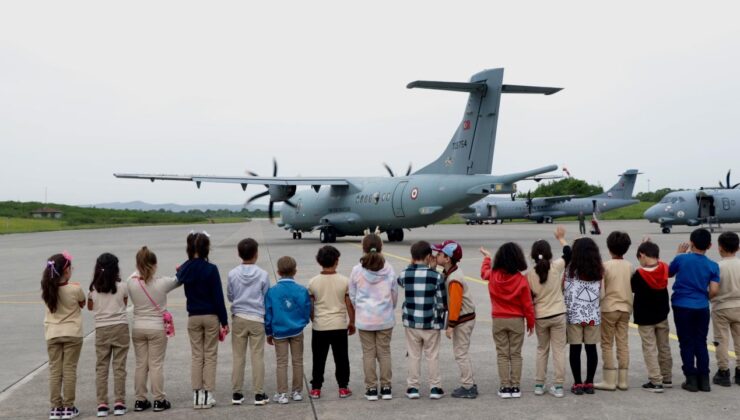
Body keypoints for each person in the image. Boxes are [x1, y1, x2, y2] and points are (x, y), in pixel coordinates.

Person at [176, 232, 229, 409]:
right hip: (211, 316)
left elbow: (180, 272)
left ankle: (197, 395)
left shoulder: (186, 268)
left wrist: (187, 261)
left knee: (197, 356)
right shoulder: (211, 269)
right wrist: (224, 320)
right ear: (207, 248)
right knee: (210, 355)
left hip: (193, 317)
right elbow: (218, 296)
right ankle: (208, 394)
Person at [127, 246, 180, 412]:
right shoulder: (162, 283)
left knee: (141, 364)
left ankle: (140, 400)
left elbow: (135, 274)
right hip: (157, 327)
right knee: (156, 364)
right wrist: (180, 269)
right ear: (154, 265)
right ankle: (159, 399)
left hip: (138, 327)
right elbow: (179, 279)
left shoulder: (131, 282)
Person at [481, 243, 535, 399]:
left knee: (502, 354)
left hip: (498, 318)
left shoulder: (493, 274)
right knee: (516, 354)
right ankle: (515, 386)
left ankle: (505, 386)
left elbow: (484, 273)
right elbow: (527, 305)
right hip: (517, 320)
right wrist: (530, 323)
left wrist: (486, 258)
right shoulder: (521, 279)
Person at [669, 228, 720, 392]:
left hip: (682, 305)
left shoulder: (682, 259)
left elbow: (669, 273)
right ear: (710, 245)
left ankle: (690, 378)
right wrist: (704, 296)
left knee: (686, 342)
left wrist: (678, 254)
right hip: (701, 306)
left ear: (691, 243)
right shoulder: (713, 265)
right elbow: (714, 290)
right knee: (701, 341)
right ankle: (704, 379)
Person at [349, 233, 397, 401]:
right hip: (385, 318)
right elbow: (394, 293)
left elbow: (352, 296)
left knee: (368, 353)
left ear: (363, 248)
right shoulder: (389, 268)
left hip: (365, 319)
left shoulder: (356, 270)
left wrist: (361, 310)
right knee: (384, 353)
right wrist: (389, 308)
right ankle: (386, 387)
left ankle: (371, 389)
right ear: (381, 247)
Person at [397, 241, 447, 400]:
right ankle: (435, 387)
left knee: (413, 355)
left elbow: (400, 281)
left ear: (412, 257)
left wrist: (413, 264)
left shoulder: (405, 273)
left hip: (411, 322)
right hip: (431, 322)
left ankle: (413, 387)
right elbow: (441, 302)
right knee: (432, 355)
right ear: (428, 257)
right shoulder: (436, 276)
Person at [526, 226, 571, 398]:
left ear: (532, 255)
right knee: (558, 350)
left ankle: (539, 384)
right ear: (549, 253)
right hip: (558, 314)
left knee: (541, 349)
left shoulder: (529, 275)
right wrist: (561, 238)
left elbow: (529, 297)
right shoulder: (557, 267)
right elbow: (569, 253)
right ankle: (558, 386)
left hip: (541, 316)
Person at [308, 246, 355, 399]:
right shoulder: (344, 281)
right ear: (337, 261)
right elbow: (348, 304)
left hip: (320, 326)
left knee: (318, 359)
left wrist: (313, 318)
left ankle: (316, 388)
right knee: (341, 358)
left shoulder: (313, 282)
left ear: (318, 261)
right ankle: (343, 387)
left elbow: (311, 306)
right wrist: (352, 322)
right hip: (339, 325)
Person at [227, 238, 270, 406]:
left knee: (238, 356)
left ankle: (237, 393)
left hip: (239, 317)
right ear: (256, 254)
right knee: (257, 356)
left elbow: (230, 295)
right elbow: (266, 296)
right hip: (257, 318)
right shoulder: (263, 274)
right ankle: (259, 393)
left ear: (239, 254)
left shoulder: (232, 273)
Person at [42, 252, 85, 420]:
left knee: (55, 371)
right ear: (66, 270)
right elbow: (82, 303)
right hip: (72, 333)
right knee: (69, 370)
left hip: (52, 333)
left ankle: (55, 407)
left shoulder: (47, 289)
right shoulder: (75, 288)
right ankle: (68, 407)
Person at [434, 240, 478, 399]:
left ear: (447, 259)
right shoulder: (450, 272)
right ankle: (469, 382)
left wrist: (451, 325)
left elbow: (455, 304)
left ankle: (468, 386)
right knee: (462, 351)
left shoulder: (454, 279)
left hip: (463, 320)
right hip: (464, 317)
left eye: (439, 254)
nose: (435, 255)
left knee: (460, 353)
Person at [87, 253, 129, 417]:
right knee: (119, 366)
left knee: (102, 366)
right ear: (116, 268)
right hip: (120, 327)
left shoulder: (93, 289)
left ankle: (102, 404)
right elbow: (125, 304)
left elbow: (90, 307)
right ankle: (119, 402)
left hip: (102, 329)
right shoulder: (122, 286)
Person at [265, 256, 311, 404]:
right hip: (296, 330)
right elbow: (306, 309)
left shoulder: (272, 291)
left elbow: (268, 312)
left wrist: (269, 331)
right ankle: (297, 391)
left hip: (279, 331)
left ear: (278, 272)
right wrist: (303, 322)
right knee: (298, 361)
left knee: (281, 362)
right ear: (295, 271)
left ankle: (282, 393)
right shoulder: (301, 290)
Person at [563, 237, 603, 395]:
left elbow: (563, 287)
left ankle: (578, 383)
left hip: (574, 315)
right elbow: (602, 291)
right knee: (591, 349)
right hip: (592, 314)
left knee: (575, 348)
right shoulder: (598, 269)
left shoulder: (570, 269)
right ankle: (590, 382)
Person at [631, 240, 672, 393]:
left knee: (649, 348)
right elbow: (659, 263)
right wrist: (646, 246)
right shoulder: (664, 268)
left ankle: (655, 380)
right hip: (662, 314)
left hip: (645, 317)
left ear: (642, 255)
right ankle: (666, 377)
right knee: (664, 346)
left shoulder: (638, 274)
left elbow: (633, 288)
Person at [595, 231, 634, 391]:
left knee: (607, 343)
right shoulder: (630, 266)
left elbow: (601, 289)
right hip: (625, 308)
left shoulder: (605, 266)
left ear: (609, 247)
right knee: (623, 343)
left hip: (609, 308)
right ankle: (623, 380)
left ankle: (609, 379)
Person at [711, 231, 740, 387]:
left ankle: (723, 371)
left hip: (721, 306)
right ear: (738, 248)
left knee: (721, 340)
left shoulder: (717, 266)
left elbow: (713, 288)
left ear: (719, 248)